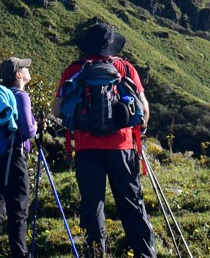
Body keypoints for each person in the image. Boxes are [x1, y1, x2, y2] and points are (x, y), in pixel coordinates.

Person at [55, 22, 156, 257]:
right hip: (121, 146)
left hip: (86, 146)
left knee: (93, 203)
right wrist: (137, 127)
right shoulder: (125, 67)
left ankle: (96, 251)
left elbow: (58, 111)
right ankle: (144, 253)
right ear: (111, 46)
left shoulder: (74, 69)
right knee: (131, 202)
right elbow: (144, 109)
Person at [0, 57, 37, 258]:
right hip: (13, 157)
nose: (27, 70)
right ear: (18, 75)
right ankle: (19, 253)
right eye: (24, 68)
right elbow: (28, 130)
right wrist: (37, 126)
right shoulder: (20, 96)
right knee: (18, 208)